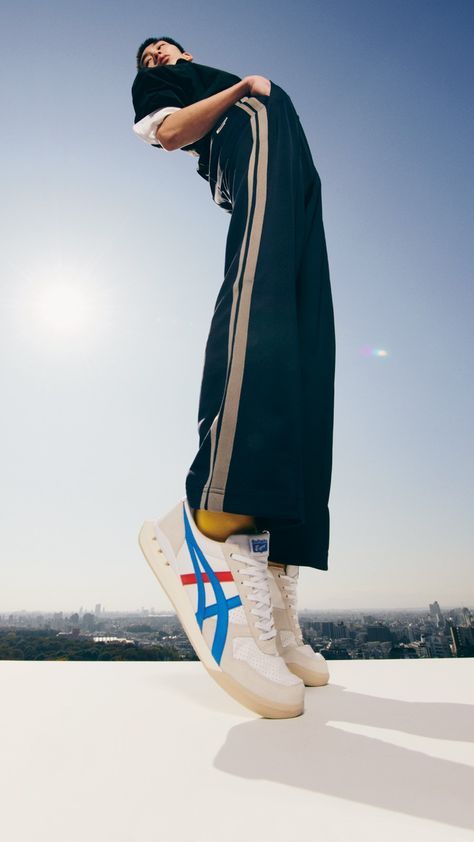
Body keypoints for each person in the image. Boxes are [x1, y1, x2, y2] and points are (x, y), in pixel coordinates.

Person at [132, 36, 336, 719]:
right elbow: (168, 134)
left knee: (309, 366)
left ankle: (277, 591)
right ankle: (213, 521)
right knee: (263, 308)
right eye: (151, 54)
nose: (159, 56)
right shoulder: (176, 85)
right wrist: (243, 89)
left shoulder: (206, 76)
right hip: (256, 150)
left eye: (167, 48)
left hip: (298, 174)